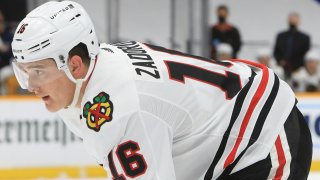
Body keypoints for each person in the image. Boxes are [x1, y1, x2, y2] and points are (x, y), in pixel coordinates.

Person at [12, 1, 312, 179]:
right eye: (24, 72)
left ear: (74, 65)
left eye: (38, 71)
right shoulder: (89, 78)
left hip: (265, 138)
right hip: (246, 117)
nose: (30, 86)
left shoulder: (121, 108)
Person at [273, 12, 310, 79]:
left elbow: (305, 54)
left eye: (294, 19)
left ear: (299, 21)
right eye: (291, 19)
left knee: (301, 76)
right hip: (282, 67)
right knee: (276, 73)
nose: (292, 21)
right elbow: (276, 52)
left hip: (298, 68)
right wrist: (281, 62)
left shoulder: (305, 37)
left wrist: (296, 66)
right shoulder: (281, 36)